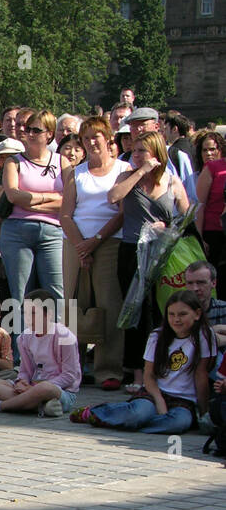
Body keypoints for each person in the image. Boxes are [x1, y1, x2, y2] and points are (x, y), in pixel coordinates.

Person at [109, 132, 191, 384]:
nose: (136, 155)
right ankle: (136, 374)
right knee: (135, 314)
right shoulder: (128, 176)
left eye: (142, 151)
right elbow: (113, 197)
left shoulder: (172, 181)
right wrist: (139, 171)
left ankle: (162, 371)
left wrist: (167, 227)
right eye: (134, 151)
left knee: (159, 312)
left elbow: (186, 219)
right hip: (133, 252)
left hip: (163, 256)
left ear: (157, 153)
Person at [71, 290, 212, 433]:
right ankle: (96, 412)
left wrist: (204, 412)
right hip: (154, 393)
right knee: (138, 414)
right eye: (171, 314)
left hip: (183, 401)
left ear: (197, 314)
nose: (176, 319)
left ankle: (128, 422)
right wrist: (160, 402)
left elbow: (201, 375)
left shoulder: (204, 337)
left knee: (177, 424)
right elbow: (148, 375)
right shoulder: (157, 336)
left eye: (182, 314)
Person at [61, 116, 125, 390]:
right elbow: (65, 213)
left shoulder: (123, 169)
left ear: (108, 138)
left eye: (95, 137)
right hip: (75, 244)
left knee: (109, 305)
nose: (90, 143)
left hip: (109, 243)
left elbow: (122, 213)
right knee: (74, 306)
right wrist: (81, 246)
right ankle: (72, 369)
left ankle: (108, 370)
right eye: (85, 138)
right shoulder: (77, 172)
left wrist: (95, 242)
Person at [0, 110, 65, 310]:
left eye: (36, 130)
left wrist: (31, 199)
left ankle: (58, 341)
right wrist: (51, 197)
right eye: (27, 129)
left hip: (54, 232)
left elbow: (69, 200)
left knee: (58, 294)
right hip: (17, 232)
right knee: (21, 297)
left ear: (50, 134)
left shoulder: (62, 162)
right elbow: (14, 196)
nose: (29, 133)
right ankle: (23, 342)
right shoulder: (14, 162)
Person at [0, 290, 82, 417]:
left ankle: (1, 406)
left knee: (45, 388)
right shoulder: (24, 338)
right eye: (25, 313)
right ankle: (40, 406)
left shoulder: (65, 337)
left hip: (60, 391)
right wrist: (21, 382)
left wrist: (34, 389)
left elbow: (70, 376)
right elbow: (25, 370)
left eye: (34, 313)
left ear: (49, 314)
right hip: (31, 387)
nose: (28, 318)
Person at [194, 129, 226, 277]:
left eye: (212, 149)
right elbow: (199, 205)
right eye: (204, 150)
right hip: (214, 233)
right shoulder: (213, 168)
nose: (208, 153)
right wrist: (199, 238)